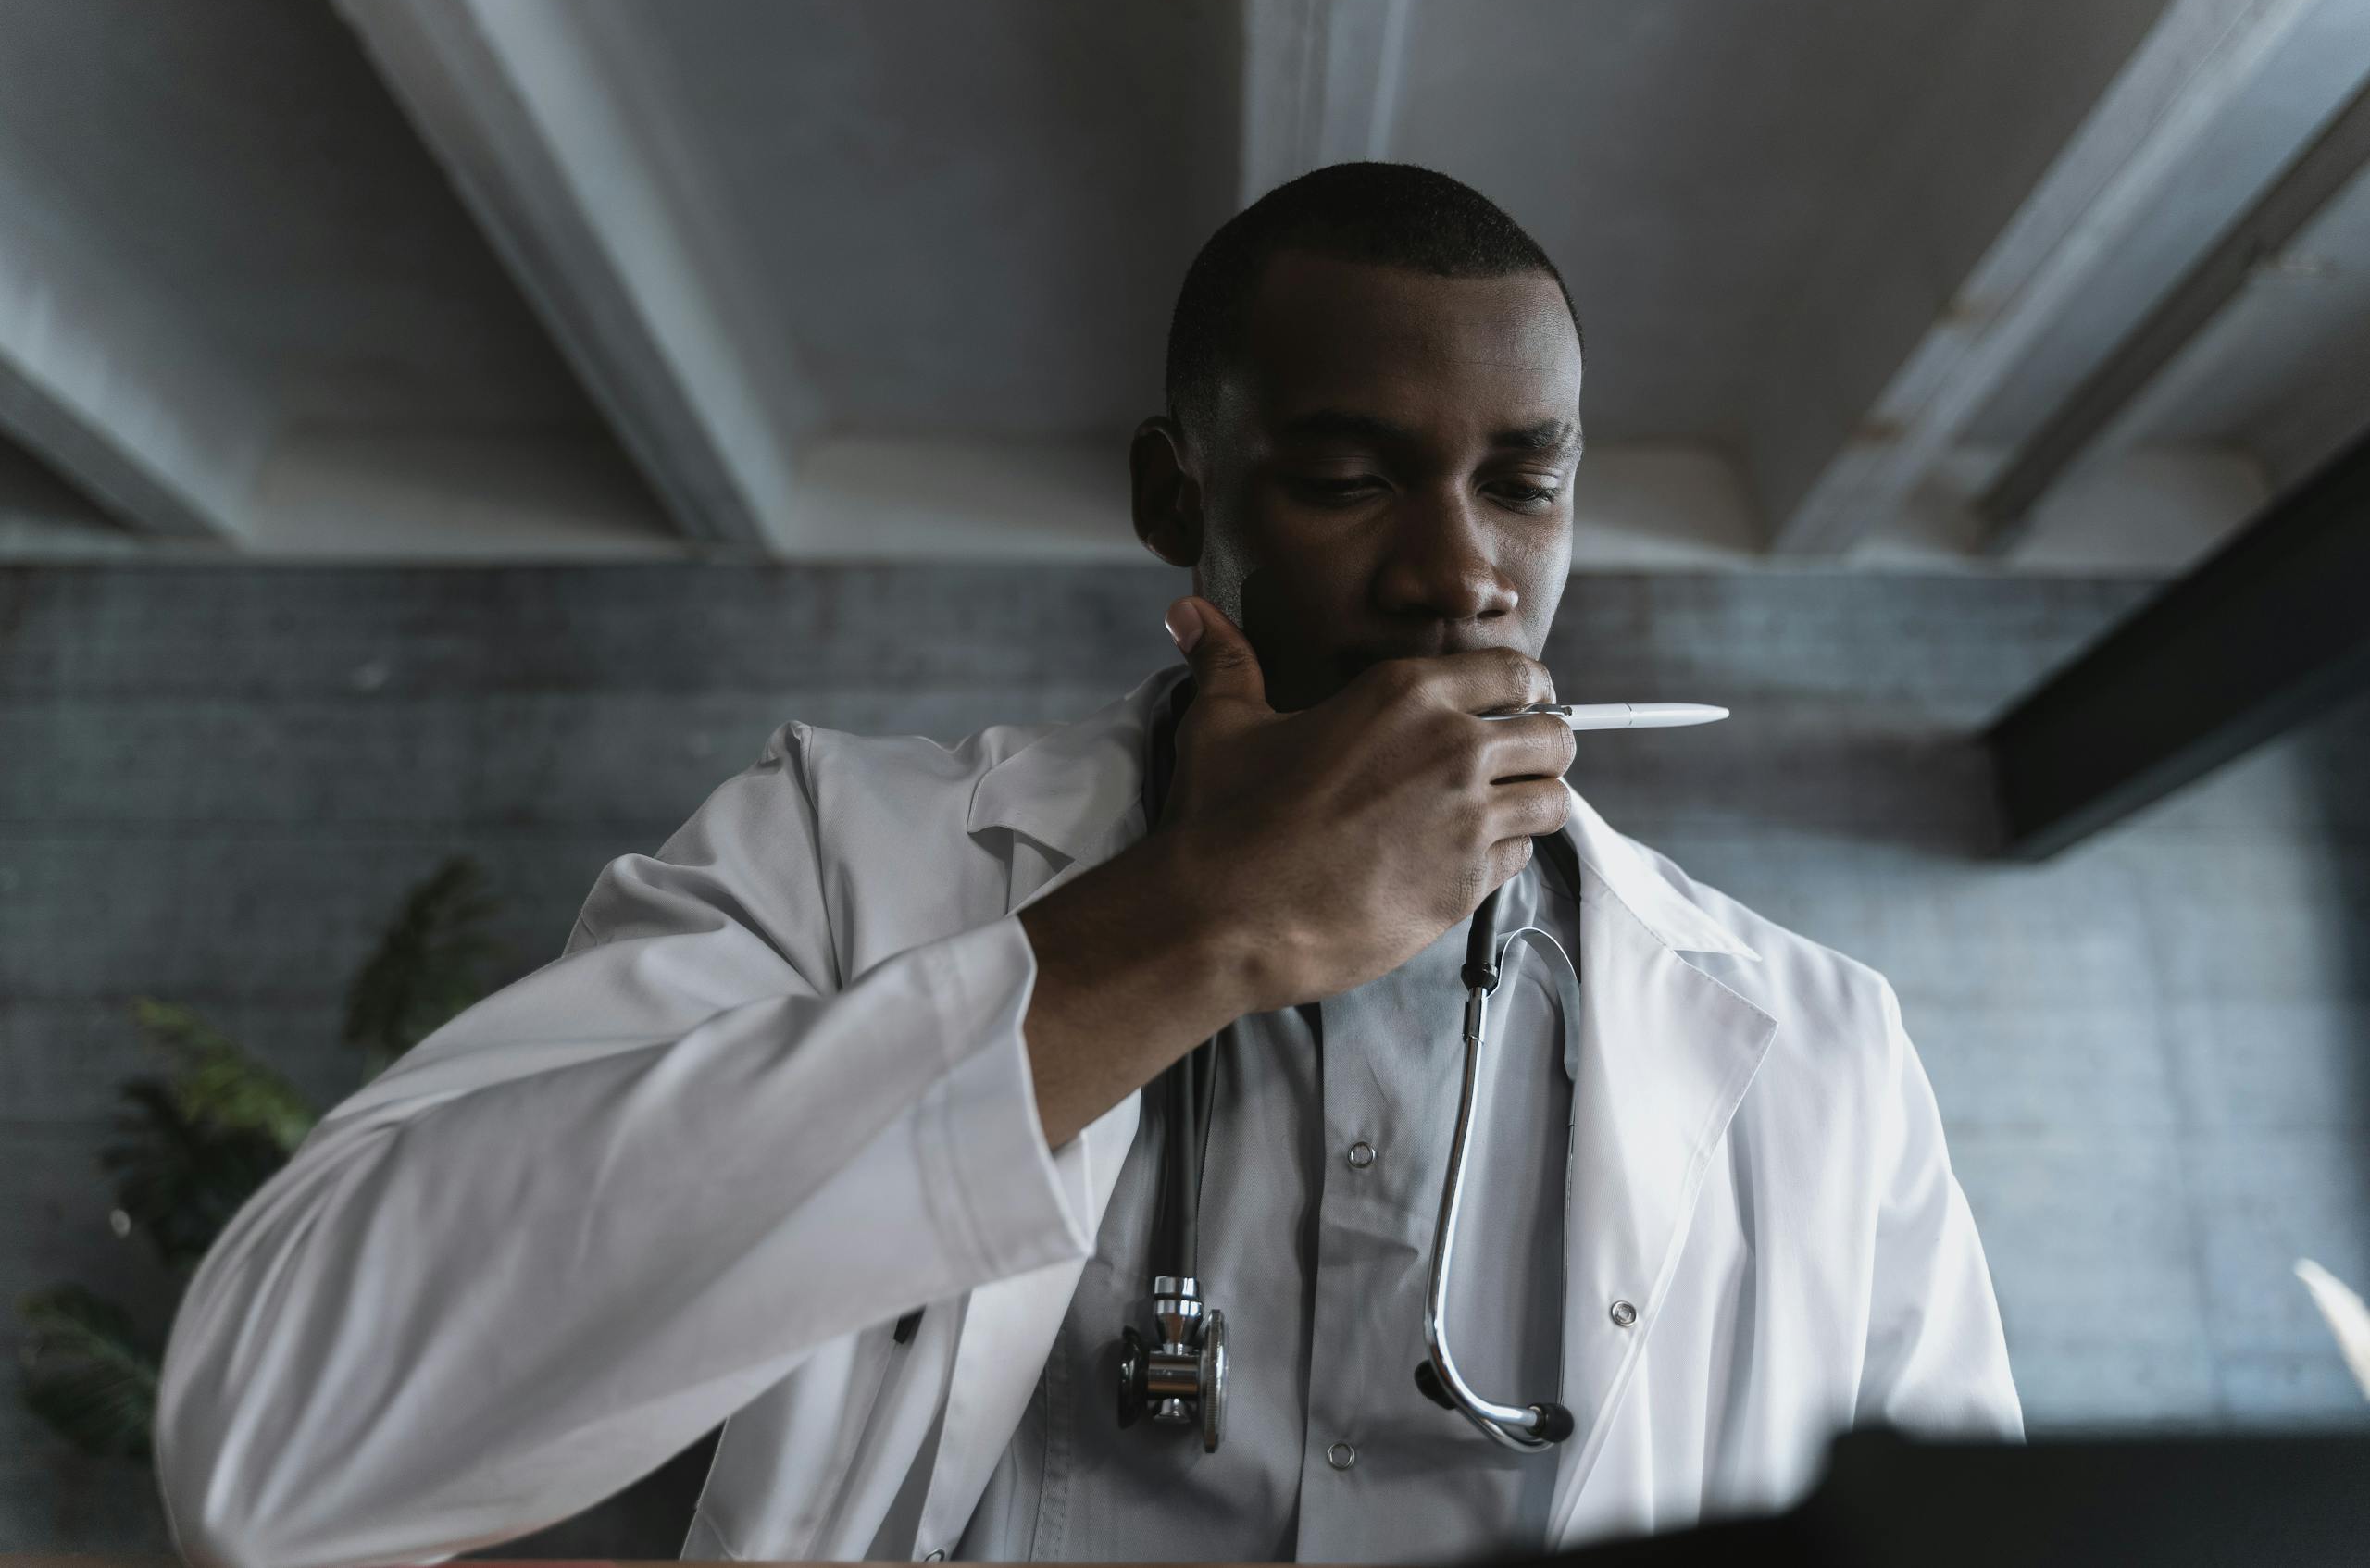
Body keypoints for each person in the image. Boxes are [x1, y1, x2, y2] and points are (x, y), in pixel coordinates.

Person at [154, 163, 2020, 1568]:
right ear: (1173, 492)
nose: (1460, 572)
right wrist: (1183, 926)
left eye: (1520, 481)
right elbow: (278, 1442)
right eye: (1350, 474)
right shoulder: (836, 857)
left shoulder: (1815, 1044)